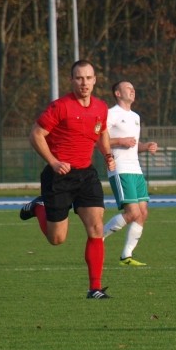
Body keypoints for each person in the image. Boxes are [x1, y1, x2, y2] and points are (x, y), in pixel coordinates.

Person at [19, 59, 116, 299]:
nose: (84, 83)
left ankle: (94, 288)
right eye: (79, 78)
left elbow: (102, 131)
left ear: (95, 81)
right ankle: (38, 207)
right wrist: (53, 162)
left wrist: (107, 155)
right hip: (59, 177)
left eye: (88, 78)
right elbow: (36, 135)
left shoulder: (101, 107)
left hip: (86, 175)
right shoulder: (60, 107)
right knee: (57, 239)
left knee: (96, 227)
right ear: (72, 80)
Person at [102, 80, 158, 266]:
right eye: (128, 88)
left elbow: (134, 146)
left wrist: (146, 146)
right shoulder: (110, 114)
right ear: (117, 93)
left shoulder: (135, 117)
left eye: (133, 88)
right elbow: (99, 140)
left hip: (136, 169)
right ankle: (98, 238)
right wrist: (120, 141)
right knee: (132, 213)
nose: (132, 91)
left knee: (142, 213)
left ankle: (126, 256)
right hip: (120, 169)